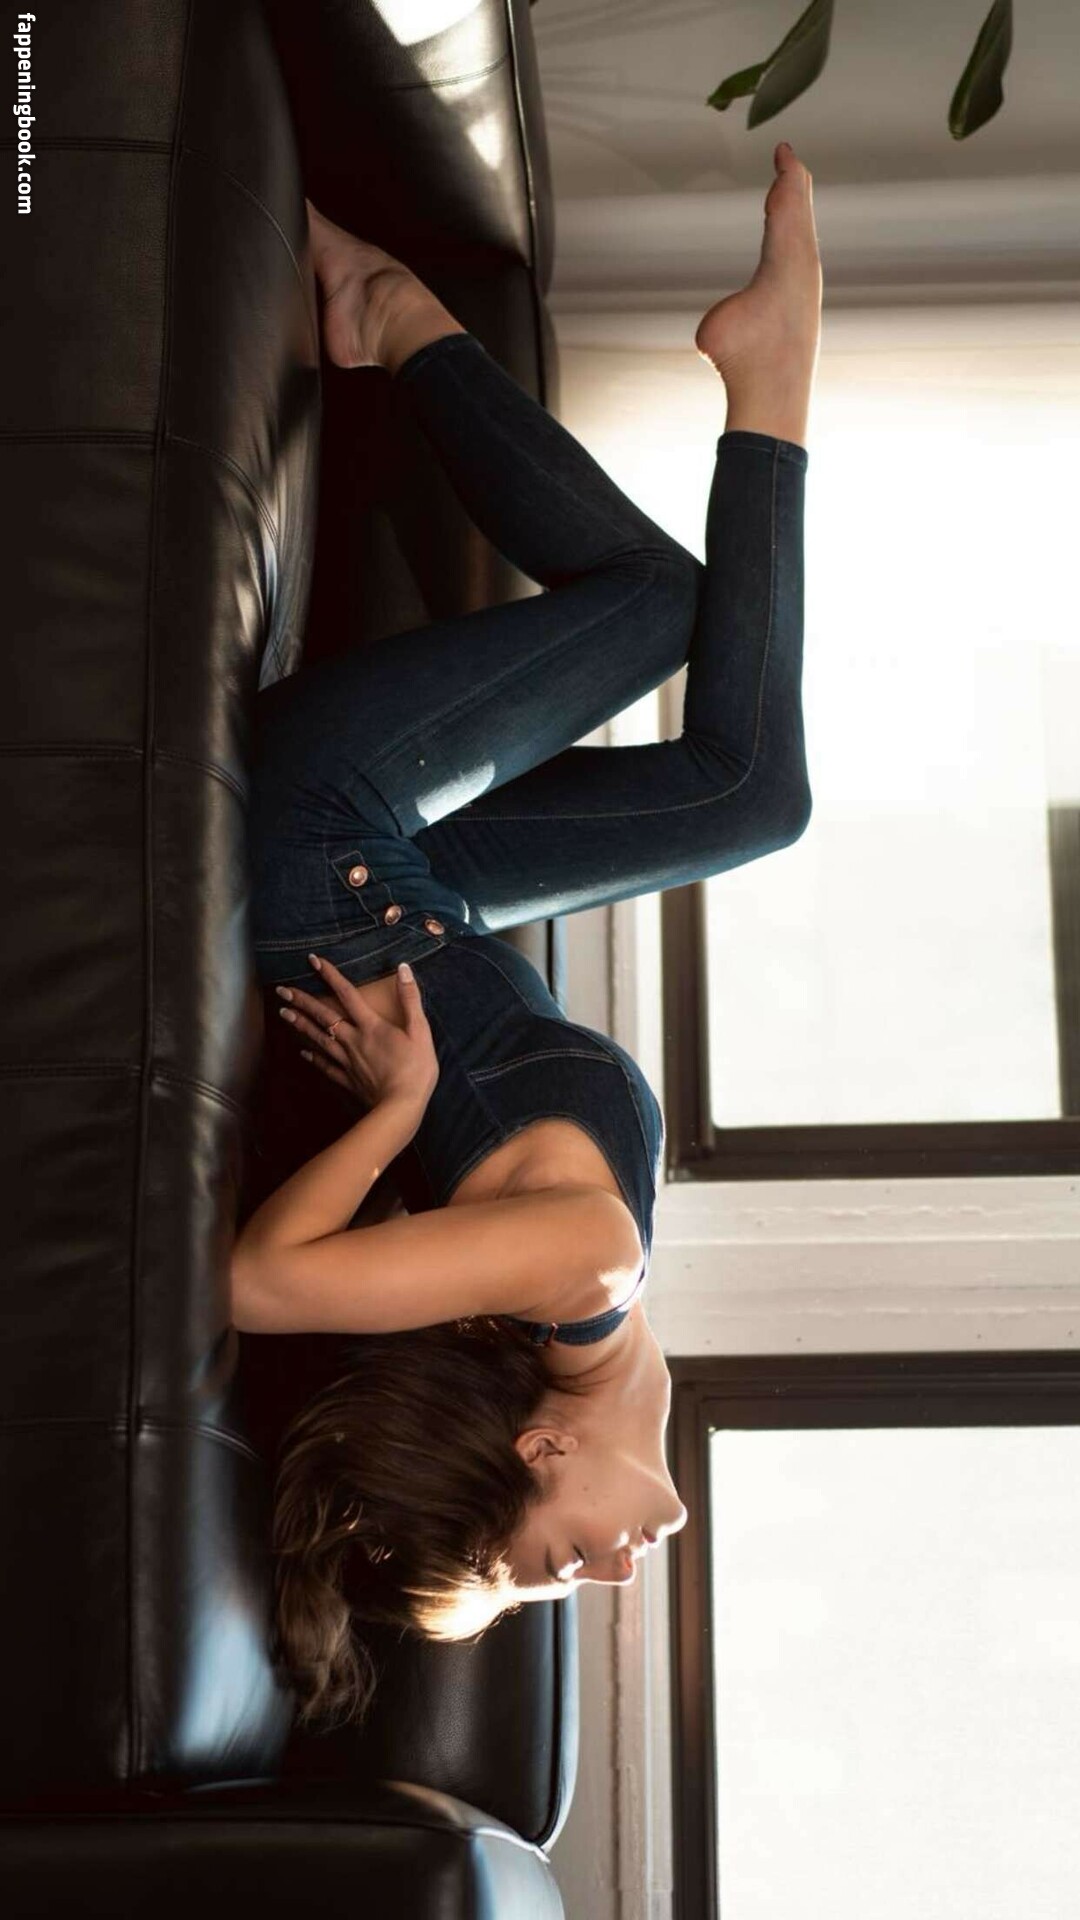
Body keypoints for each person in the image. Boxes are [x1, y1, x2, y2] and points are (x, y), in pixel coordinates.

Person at [232, 142, 823, 1729]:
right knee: (752, 794)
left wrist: (403, 1109)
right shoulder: (573, 1308)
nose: (609, 1576)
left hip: (323, 836)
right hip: (413, 879)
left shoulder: (575, 1272)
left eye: (553, 1566)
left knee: (653, 602)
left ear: (542, 1452)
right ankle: (411, 321)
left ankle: (410, 314)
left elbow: (258, 1288)